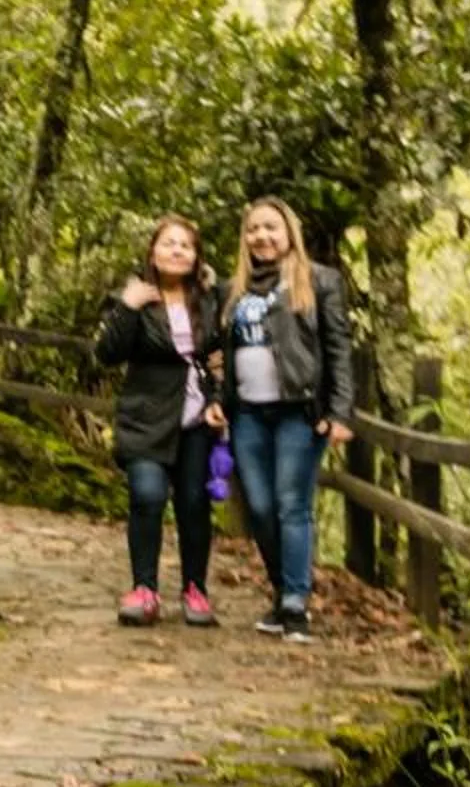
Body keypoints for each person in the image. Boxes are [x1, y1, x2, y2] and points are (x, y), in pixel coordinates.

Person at [205, 197, 355, 643]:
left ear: (289, 232)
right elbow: (218, 356)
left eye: (271, 228)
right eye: (253, 229)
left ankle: (294, 603)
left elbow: (338, 348)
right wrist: (218, 397)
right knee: (261, 507)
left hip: (300, 412)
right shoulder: (234, 290)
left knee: (292, 504)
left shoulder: (319, 281)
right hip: (248, 412)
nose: (262, 237)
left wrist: (340, 410)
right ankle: (280, 592)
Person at [95, 215, 223, 627]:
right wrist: (128, 307)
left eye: (185, 245)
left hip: (196, 419)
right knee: (147, 496)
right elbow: (107, 353)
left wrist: (219, 399)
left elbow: (224, 355)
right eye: (168, 243)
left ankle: (195, 590)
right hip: (146, 418)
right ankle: (144, 589)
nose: (176, 250)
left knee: (193, 505)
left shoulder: (209, 299)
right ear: (152, 251)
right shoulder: (133, 298)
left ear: (196, 256)